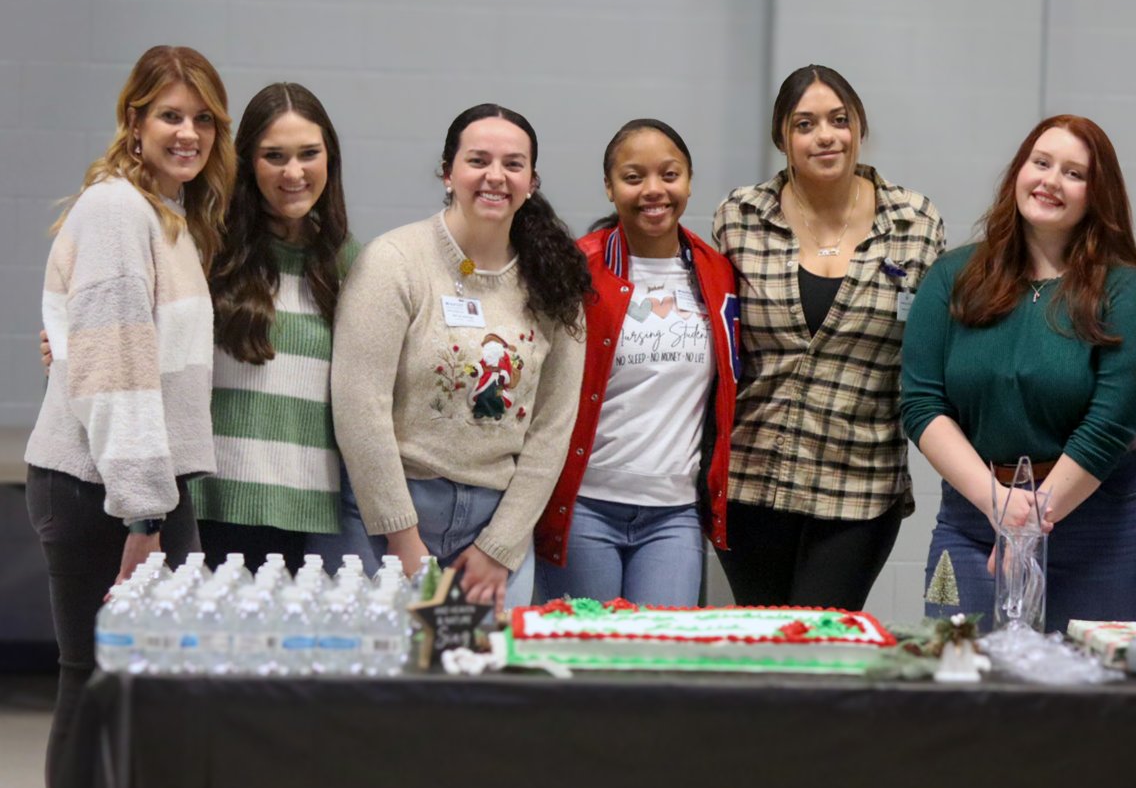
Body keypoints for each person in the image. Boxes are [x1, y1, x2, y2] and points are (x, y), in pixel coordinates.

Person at [24, 45, 234, 788]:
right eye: (171, 116)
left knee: (146, 684)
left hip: (142, 484)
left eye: (203, 119)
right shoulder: (118, 208)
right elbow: (117, 372)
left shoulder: (165, 211)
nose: (189, 133)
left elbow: (86, 335)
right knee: (95, 677)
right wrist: (142, 518)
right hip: (101, 489)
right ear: (134, 119)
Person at [901, 115, 1136, 631]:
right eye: (1040, 163)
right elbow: (921, 403)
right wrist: (997, 505)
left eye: (1073, 173)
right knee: (965, 670)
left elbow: (1109, 424)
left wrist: (1027, 524)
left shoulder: (1129, 292)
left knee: (1089, 687)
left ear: (1097, 194)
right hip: (977, 509)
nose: (1050, 181)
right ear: (1018, 172)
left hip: (1100, 516)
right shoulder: (953, 277)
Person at [330, 104, 588, 612]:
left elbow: (553, 427)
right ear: (447, 173)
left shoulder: (557, 282)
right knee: (381, 682)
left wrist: (500, 547)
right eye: (478, 160)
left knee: (485, 681)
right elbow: (360, 405)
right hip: (388, 515)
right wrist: (402, 540)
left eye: (513, 164)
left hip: (494, 528)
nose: (496, 176)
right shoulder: (394, 261)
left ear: (531, 182)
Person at [711, 65, 945, 610]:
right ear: (782, 139)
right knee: (760, 646)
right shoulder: (740, 216)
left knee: (822, 649)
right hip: (752, 475)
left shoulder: (915, 221)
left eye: (840, 120)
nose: (825, 136)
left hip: (859, 483)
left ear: (859, 128)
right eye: (805, 124)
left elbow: (934, 347)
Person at [533, 120, 739, 606]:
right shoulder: (577, 269)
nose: (654, 190)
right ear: (609, 187)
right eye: (633, 177)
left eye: (669, 175)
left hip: (674, 515)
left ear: (689, 180)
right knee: (585, 660)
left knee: (660, 662)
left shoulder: (719, 272)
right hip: (584, 510)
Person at [190, 82, 359, 573]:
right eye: (273, 156)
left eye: (309, 154)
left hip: (312, 525)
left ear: (330, 159)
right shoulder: (207, 254)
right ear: (247, 163)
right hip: (211, 512)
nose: (294, 172)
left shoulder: (352, 264)